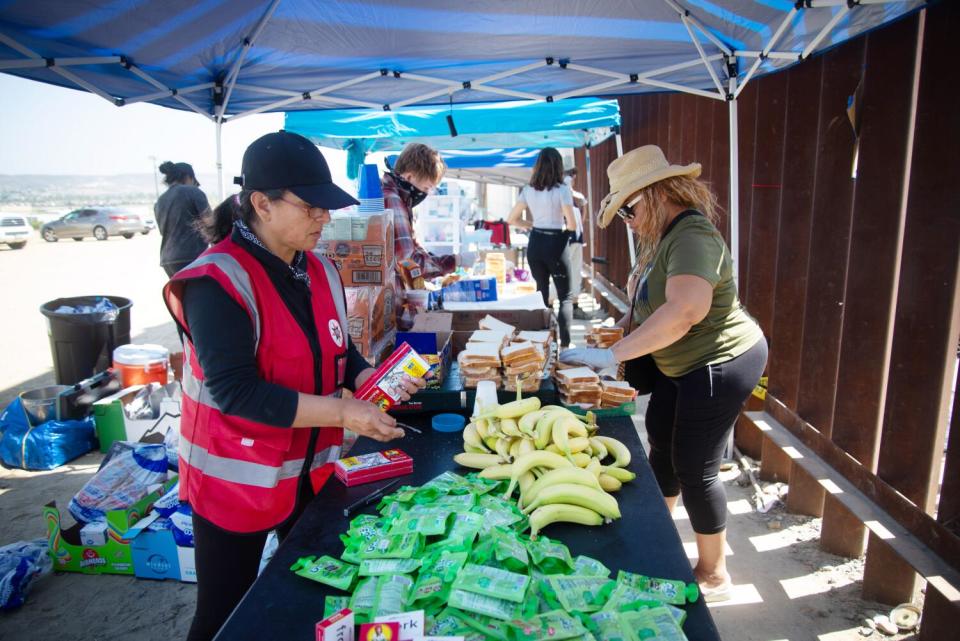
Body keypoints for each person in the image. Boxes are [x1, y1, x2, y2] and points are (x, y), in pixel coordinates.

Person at [162, 131, 427, 641]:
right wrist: (345, 414)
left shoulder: (320, 268)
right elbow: (236, 394)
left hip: (308, 473)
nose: (324, 219)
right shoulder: (216, 282)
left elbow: (335, 346)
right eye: (311, 208)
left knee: (309, 593)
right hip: (235, 484)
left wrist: (364, 376)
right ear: (261, 203)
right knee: (223, 614)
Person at [559, 145, 767, 602]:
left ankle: (715, 573)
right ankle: (659, 537)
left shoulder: (693, 236)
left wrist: (616, 355)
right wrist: (615, 336)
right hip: (681, 363)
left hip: (718, 363)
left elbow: (686, 310)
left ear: (654, 194)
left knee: (696, 466)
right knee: (662, 446)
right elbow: (651, 307)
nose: (627, 220)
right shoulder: (663, 236)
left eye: (628, 209)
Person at [507, 147, 578, 347]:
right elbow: (571, 224)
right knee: (565, 296)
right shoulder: (562, 190)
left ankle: (541, 341)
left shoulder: (528, 190)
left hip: (536, 241)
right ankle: (565, 345)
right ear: (558, 167)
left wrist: (530, 225)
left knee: (541, 292)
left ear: (537, 166)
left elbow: (511, 219)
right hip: (556, 242)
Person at [382, 143, 473, 291]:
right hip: (390, 298)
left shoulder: (400, 199)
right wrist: (455, 261)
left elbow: (414, 249)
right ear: (409, 176)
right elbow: (409, 261)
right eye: (425, 188)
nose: (425, 194)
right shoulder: (392, 200)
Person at [155, 161, 210, 277]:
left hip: (167, 260)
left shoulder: (160, 201)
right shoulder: (193, 192)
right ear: (188, 177)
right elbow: (210, 222)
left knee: (182, 295)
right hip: (191, 257)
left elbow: (162, 231)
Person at [563, 167, 591, 320]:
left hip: (576, 235)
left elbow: (583, 207)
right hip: (566, 235)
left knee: (574, 271)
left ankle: (573, 306)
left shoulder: (575, 196)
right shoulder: (562, 189)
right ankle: (552, 303)